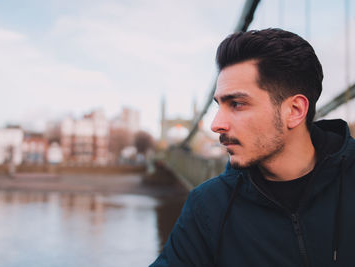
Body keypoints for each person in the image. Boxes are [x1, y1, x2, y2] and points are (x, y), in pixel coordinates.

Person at [150, 28, 355, 266]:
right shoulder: (207, 206)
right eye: (218, 105)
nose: (216, 125)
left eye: (237, 104)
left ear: (295, 111)